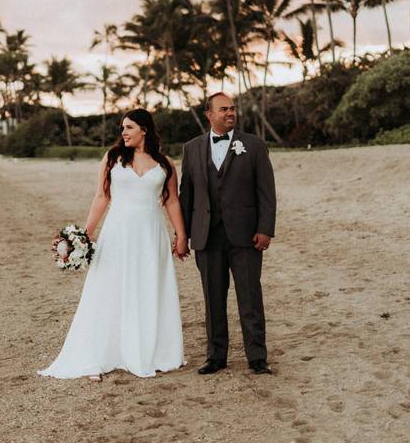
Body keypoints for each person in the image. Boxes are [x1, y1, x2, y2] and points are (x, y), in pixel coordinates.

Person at [38, 108, 187, 381]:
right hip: (118, 233)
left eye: (129, 127)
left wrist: (181, 235)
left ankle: (147, 350)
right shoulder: (113, 158)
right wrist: (83, 236)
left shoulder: (165, 164)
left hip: (151, 234)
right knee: (108, 288)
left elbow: (172, 201)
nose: (124, 133)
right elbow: (101, 197)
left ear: (144, 129)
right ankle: (100, 353)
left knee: (147, 287)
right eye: (122, 128)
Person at [179, 92, 277, 375]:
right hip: (206, 236)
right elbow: (187, 196)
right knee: (212, 298)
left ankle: (257, 357)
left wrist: (265, 229)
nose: (231, 113)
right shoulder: (192, 148)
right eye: (224, 109)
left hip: (245, 235)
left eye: (233, 109)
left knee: (250, 297)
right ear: (209, 114)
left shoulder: (254, 146)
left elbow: (266, 192)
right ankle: (216, 356)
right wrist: (183, 235)